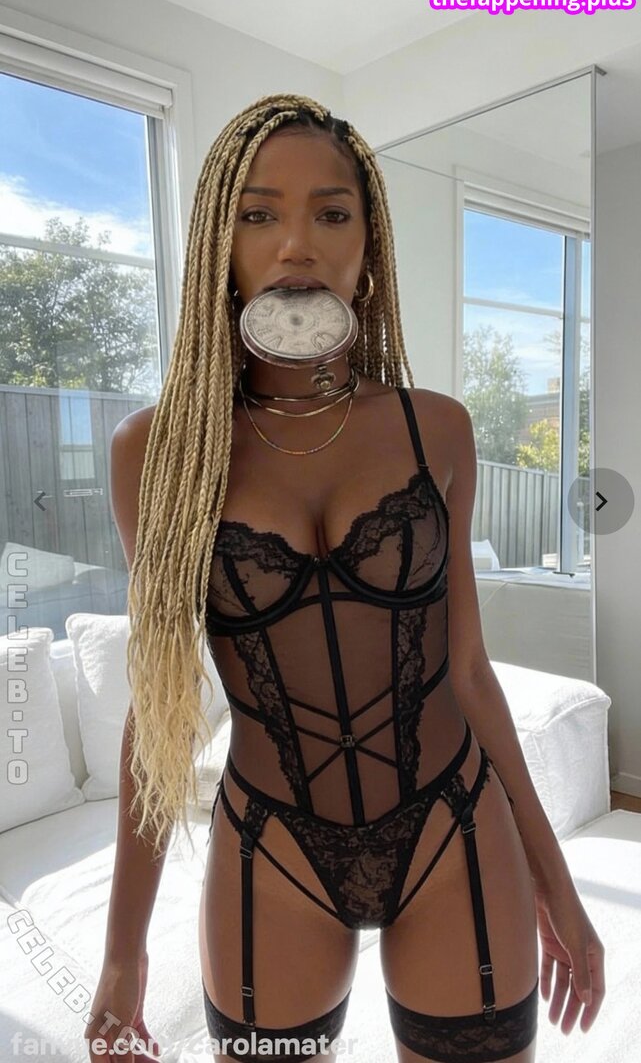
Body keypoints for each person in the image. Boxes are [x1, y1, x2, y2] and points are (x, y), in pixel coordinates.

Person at [86, 94, 605, 1063]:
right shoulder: (159, 454)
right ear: (219, 247)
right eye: (258, 213)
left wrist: (555, 881)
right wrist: (123, 953)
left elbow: (467, 672)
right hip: (271, 848)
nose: (296, 244)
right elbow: (159, 709)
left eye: (331, 213)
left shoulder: (435, 430)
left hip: (454, 824)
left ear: (368, 252)